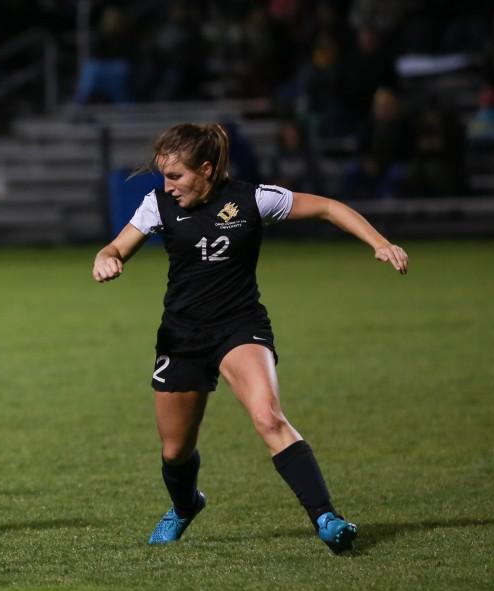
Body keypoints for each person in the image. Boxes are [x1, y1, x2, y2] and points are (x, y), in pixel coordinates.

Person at [92, 123, 407, 554]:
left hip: (240, 327)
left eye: (176, 176)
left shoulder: (252, 199)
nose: (167, 186)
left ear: (206, 169)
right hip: (182, 336)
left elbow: (329, 208)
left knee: (269, 417)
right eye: (164, 176)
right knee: (174, 452)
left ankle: (326, 518)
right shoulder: (157, 205)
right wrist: (105, 261)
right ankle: (185, 506)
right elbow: (114, 248)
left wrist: (379, 242)